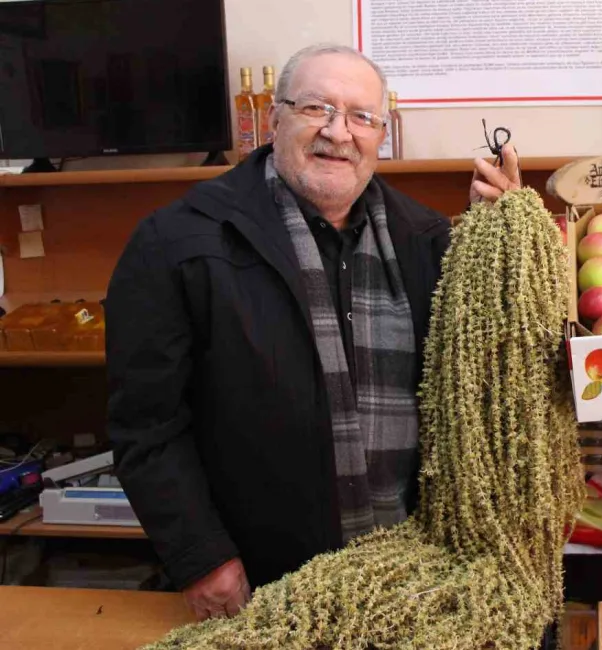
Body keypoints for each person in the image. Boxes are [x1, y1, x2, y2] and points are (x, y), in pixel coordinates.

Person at [104, 43, 521, 621]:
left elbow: (484, 379)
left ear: (381, 134)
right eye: (316, 108)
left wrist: (494, 240)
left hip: (410, 577)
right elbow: (146, 425)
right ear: (274, 119)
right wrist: (200, 556)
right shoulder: (177, 243)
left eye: (360, 117)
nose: (338, 132)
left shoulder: (425, 239)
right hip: (263, 581)